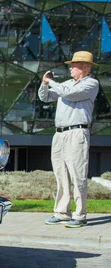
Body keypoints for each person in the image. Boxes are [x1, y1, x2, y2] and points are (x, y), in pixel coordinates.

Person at [38, 51, 100, 228]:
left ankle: (80, 215)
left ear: (85, 67)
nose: (71, 68)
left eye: (74, 65)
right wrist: (44, 83)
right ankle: (61, 212)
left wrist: (51, 82)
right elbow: (45, 97)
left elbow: (70, 93)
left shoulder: (91, 83)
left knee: (77, 174)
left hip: (77, 133)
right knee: (61, 173)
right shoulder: (65, 84)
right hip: (59, 134)